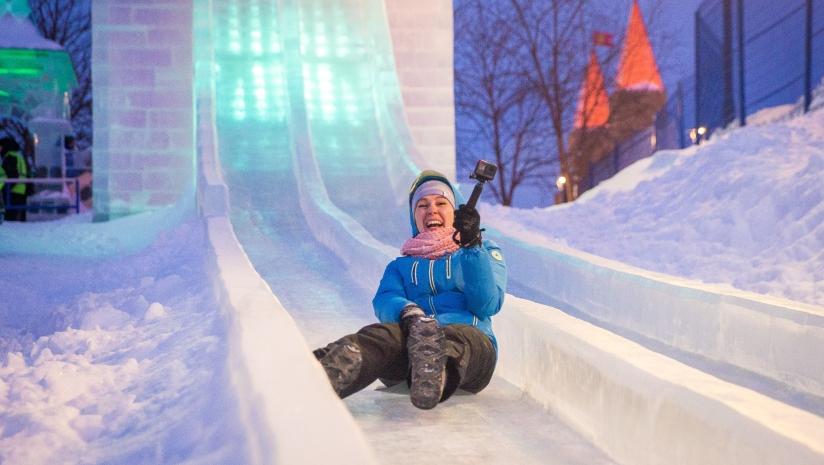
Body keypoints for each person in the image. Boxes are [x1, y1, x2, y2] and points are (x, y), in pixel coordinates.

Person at [313, 170, 507, 409]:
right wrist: (408, 312)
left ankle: (438, 370)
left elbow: (486, 304)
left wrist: (471, 247)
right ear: (414, 217)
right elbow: (385, 299)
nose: (431, 210)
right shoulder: (400, 266)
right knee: (383, 335)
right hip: (413, 343)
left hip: (474, 349)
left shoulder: (482, 250)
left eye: (441, 203)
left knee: (457, 338)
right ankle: (332, 367)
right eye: (422, 205)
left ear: (455, 210)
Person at [0, 136, 29, 222]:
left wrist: (4, 188)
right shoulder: (18, 156)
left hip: (13, 190)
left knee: (9, 218)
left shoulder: (10, 157)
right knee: (17, 215)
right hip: (21, 189)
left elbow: (10, 175)